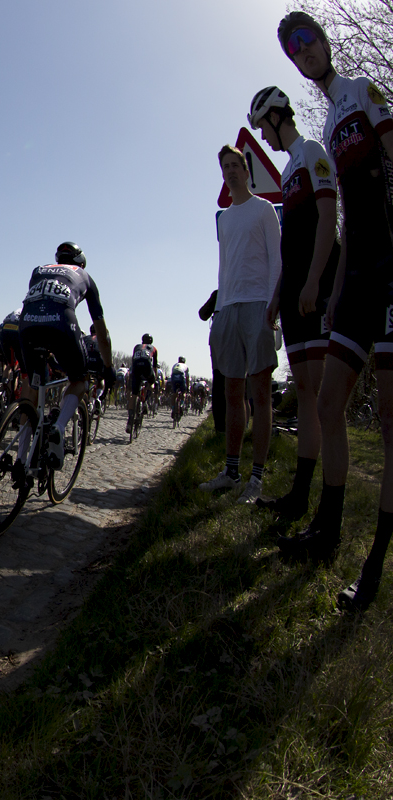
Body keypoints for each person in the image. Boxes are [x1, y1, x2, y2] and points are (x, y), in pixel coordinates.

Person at [275, 12, 393, 611]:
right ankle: (327, 528)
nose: (304, 52)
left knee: (392, 426)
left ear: (324, 42)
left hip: (391, 268)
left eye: (308, 39)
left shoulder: (363, 90)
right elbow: (346, 207)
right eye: (294, 49)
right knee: (326, 404)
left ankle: (374, 564)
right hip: (359, 275)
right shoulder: (325, 114)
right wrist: (341, 278)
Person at [247, 85, 341, 519]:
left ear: (277, 117)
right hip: (294, 290)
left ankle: (320, 498)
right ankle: (299, 496)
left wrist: (316, 280)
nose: (263, 137)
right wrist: (278, 294)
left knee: (320, 396)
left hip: (315, 289)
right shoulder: (286, 173)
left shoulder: (311, 150)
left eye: (263, 127)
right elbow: (291, 242)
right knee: (303, 389)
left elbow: (327, 218)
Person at [197, 144, 281, 504]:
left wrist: (274, 307)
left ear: (247, 171)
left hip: (259, 304)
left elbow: (278, 260)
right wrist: (218, 310)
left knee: (259, 394)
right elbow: (225, 267)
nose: (231, 171)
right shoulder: (224, 218)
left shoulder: (264, 210)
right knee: (233, 394)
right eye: (225, 167)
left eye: (236, 165)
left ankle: (256, 479)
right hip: (228, 309)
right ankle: (231, 472)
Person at [15, 242, 114, 471]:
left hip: (27, 324)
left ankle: (21, 458)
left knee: (32, 383)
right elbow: (102, 334)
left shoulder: (39, 270)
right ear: (81, 263)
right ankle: (59, 427)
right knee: (79, 380)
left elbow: (40, 302)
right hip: (61, 322)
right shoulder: (86, 277)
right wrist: (108, 366)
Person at [129, 333, 159, 428]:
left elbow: (133, 360)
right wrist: (154, 379)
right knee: (152, 383)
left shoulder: (136, 346)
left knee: (134, 395)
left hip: (136, 367)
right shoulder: (153, 348)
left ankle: (130, 420)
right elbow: (154, 366)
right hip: (147, 367)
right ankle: (145, 401)